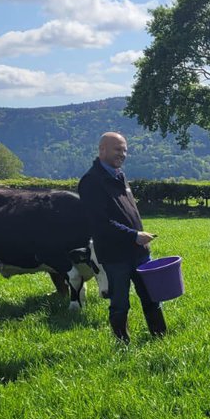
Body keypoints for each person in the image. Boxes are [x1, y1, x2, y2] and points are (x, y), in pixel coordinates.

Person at [78, 131, 166, 343]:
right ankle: (122, 343)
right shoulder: (91, 182)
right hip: (115, 255)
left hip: (139, 252)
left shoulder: (119, 176)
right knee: (120, 301)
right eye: (118, 149)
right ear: (102, 150)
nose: (123, 154)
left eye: (125, 150)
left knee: (152, 296)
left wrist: (137, 238)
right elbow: (100, 223)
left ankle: (161, 337)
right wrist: (134, 235)